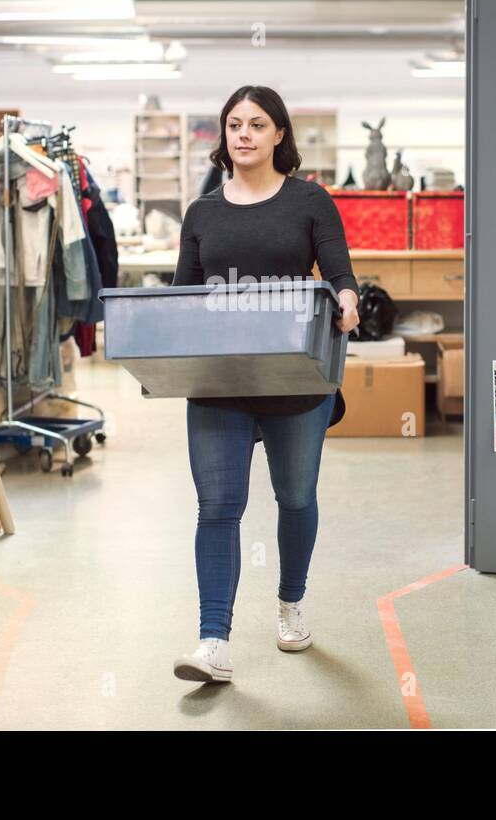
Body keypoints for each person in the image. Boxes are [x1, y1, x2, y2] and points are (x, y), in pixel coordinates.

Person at [170, 85, 360, 684]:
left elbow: (339, 272)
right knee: (217, 507)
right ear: (223, 137)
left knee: (295, 498)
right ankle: (213, 642)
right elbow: (184, 297)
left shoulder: (310, 201)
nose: (243, 133)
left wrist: (348, 300)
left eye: (257, 123)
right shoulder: (202, 212)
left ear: (280, 134)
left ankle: (290, 604)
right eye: (233, 124)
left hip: (295, 379)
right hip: (219, 379)